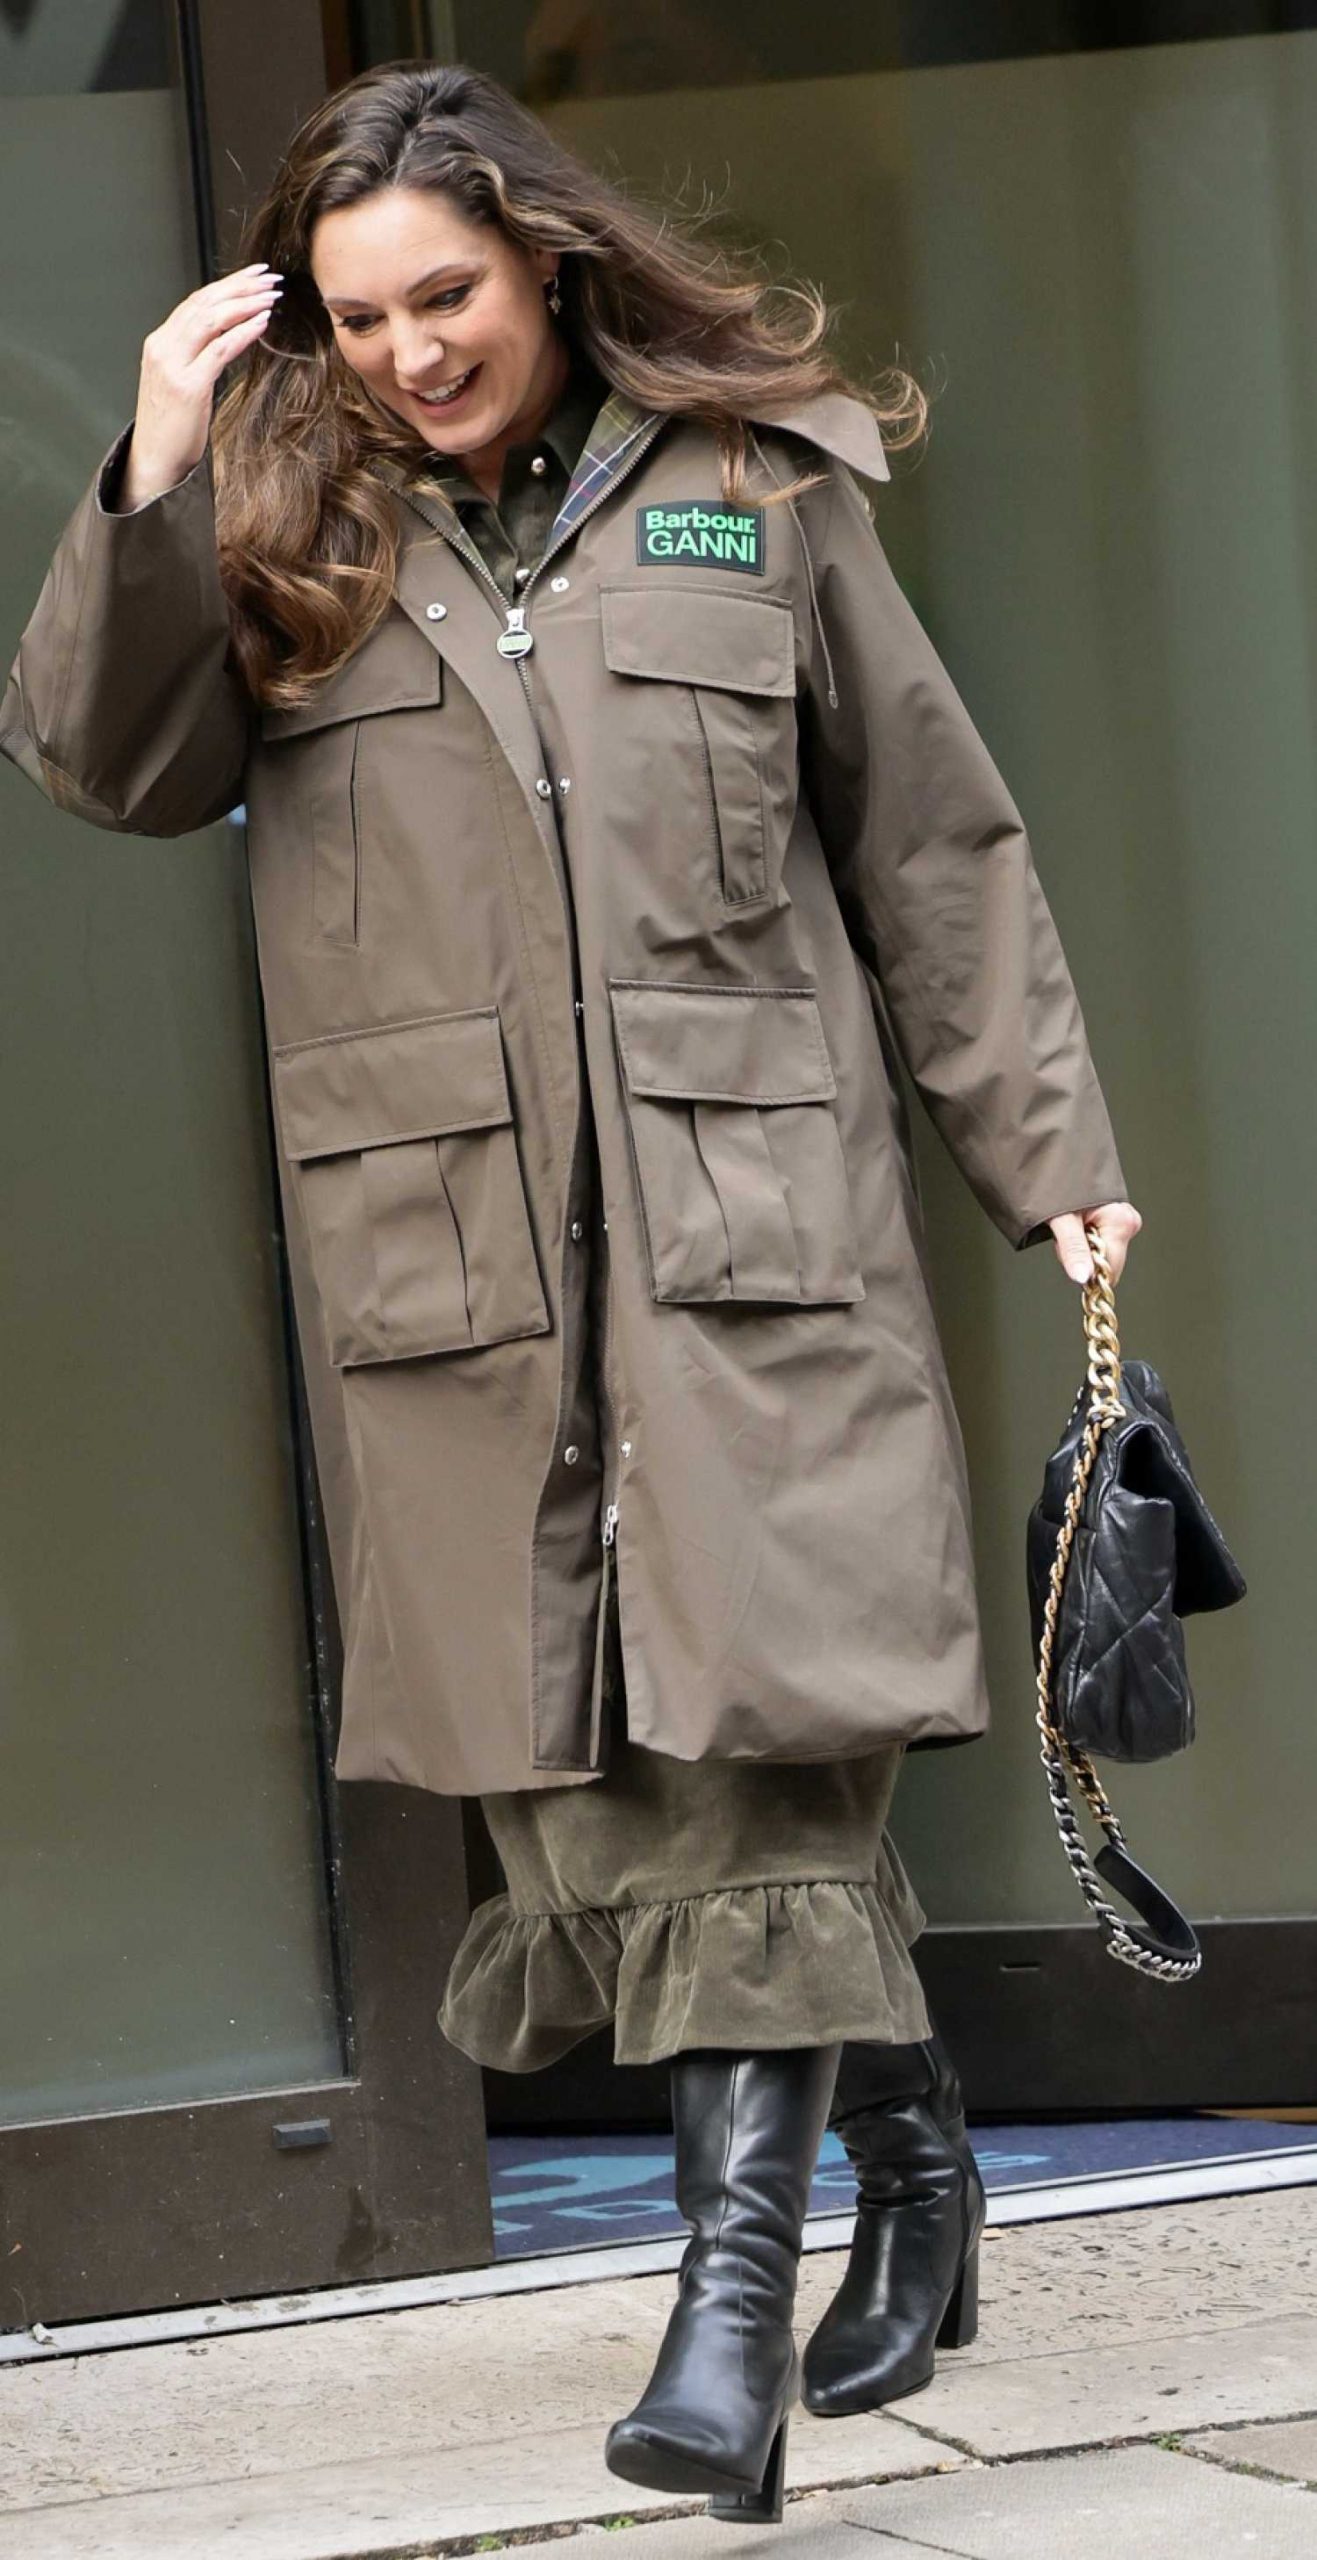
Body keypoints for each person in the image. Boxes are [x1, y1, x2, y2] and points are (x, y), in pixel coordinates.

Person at [0, 58, 1140, 2524]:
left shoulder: (760, 490)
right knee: (611, 1801)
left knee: (752, 1749)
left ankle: (721, 2326)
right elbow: (102, 759)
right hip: (460, 1276)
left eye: (447, 293)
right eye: (356, 316)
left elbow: (927, 839)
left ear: (542, 256)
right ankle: (911, 2152)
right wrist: (159, 460)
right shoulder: (280, 532)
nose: (410, 350)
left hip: (757, 1242)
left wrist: (1043, 1151)